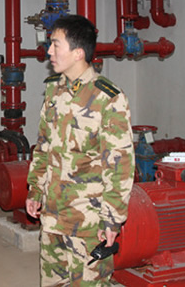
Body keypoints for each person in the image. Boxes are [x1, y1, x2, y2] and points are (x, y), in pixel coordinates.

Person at [25, 15, 135, 286]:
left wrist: (112, 219)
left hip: (88, 223)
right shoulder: (53, 91)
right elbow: (43, 146)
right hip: (52, 216)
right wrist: (35, 189)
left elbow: (119, 165)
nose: (49, 52)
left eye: (55, 45)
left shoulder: (108, 98)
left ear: (78, 53)